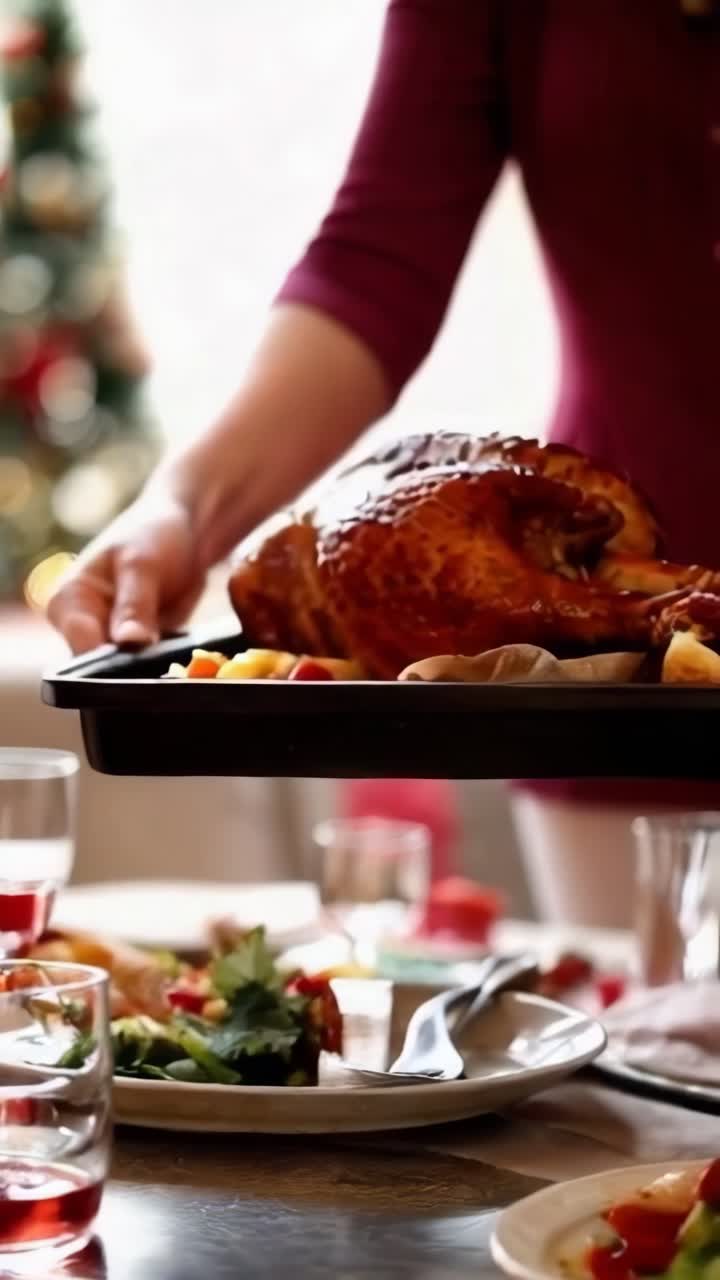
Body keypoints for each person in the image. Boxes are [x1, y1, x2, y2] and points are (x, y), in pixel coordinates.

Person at [47, 1, 720, 927]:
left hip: (616, 618)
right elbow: (377, 259)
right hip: (608, 659)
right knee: (652, 1054)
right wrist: (184, 507)